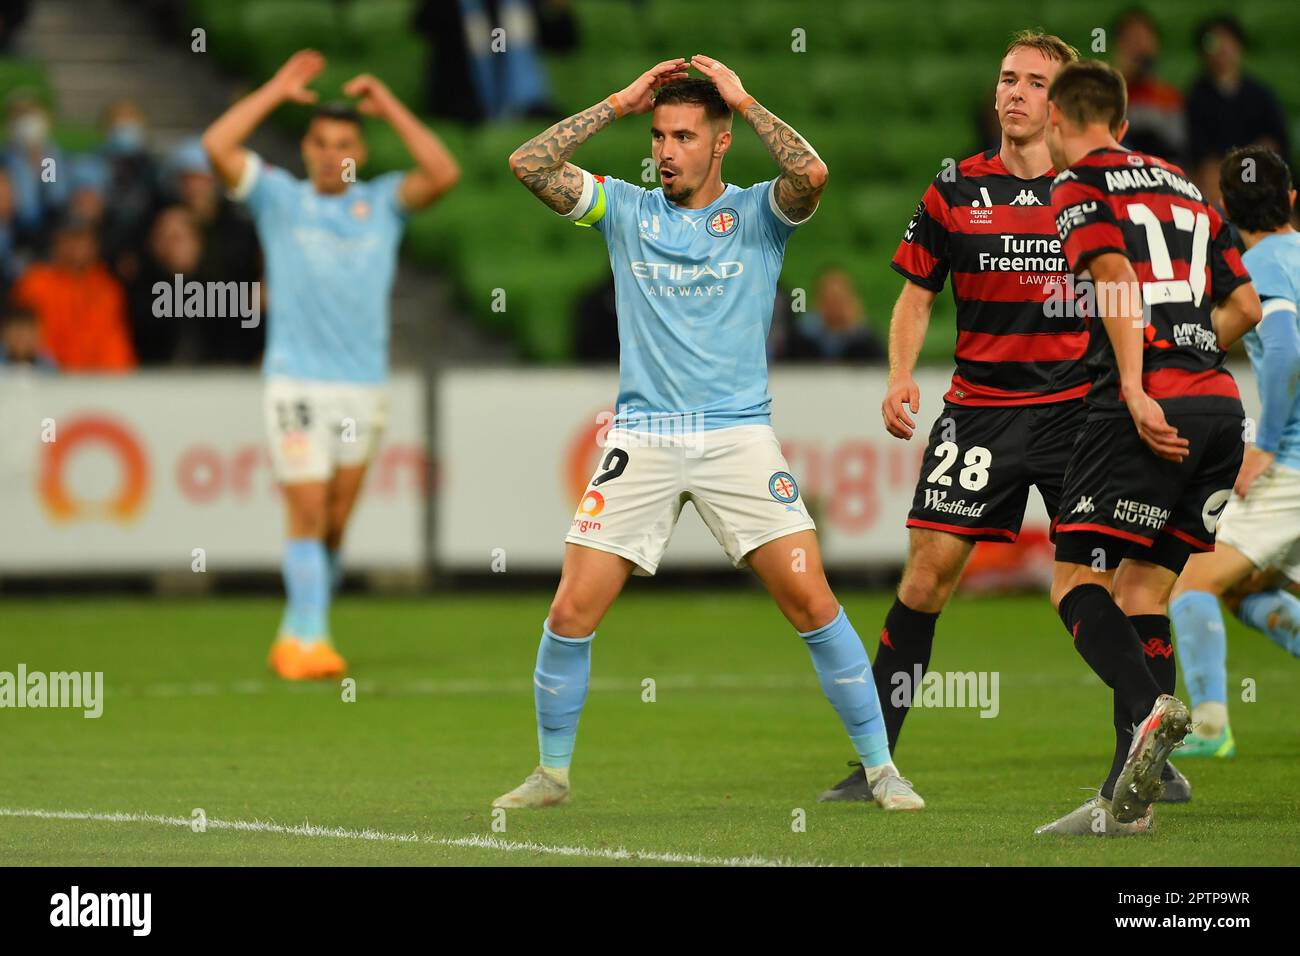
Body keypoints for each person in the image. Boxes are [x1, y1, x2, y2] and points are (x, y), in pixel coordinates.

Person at [494, 57, 924, 813]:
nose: (665, 150)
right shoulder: (624, 208)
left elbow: (813, 175)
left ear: (718, 142)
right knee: (569, 611)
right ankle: (552, 773)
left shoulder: (759, 213)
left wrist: (747, 101)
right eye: (658, 134)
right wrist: (618, 102)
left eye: (684, 135)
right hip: (645, 438)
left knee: (813, 603)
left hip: (737, 440)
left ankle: (882, 769)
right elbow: (528, 163)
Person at [819, 31, 1093, 801]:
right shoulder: (955, 189)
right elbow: (915, 295)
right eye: (1007, 78)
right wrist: (900, 376)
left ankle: (1145, 753)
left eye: (1034, 82)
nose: (1013, 92)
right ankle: (876, 763)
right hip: (979, 415)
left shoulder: (1091, 193)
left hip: (1077, 413)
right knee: (926, 579)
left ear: (1060, 102)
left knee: (1104, 584)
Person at [1037, 59, 1261, 836]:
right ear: (1124, 120)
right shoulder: (1187, 185)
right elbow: (1247, 304)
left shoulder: (1079, 185)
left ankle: (1147, 715)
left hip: (1145, 407)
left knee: (1071, 582)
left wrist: (1138, 384)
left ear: (1062, 122)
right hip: (1219, 409)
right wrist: (1193, 358)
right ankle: (1123, 802)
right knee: (1142, 594)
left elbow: (1115, 278)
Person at [202, 50, 460, 680]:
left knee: (336, 523)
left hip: (362, 390)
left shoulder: (383, 205)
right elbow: (217, 143)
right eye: (319, 142)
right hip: (294, 382)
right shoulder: (279, 200)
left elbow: (443, 171)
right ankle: (310, 639)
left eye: (343, 142)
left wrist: (389, 106)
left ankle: (299, 624)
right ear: (307, 148)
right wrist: (275, 89)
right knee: (308, 510)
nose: (328, 153)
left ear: (360, 153)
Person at [1170, 146, 1300, 758]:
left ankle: (1212, 728)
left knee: (1192, 585)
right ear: (1292, 200)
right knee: (1248, 589)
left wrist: (1266, 448)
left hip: (1290, 468)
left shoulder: (1258, 267)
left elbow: (1284, 344)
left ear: (1223, 208)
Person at [1185, 15, 1290, 209]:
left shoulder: (1261, 94)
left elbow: (1274, 144)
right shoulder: (1196, 98)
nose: (1223, 48)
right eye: (1214, 42)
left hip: (1257, 177)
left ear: (1239, 46)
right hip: (1219, 182)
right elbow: (1200, 156)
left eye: (1228, 40)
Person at [10, 216, 135, 372]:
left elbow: (116, 342)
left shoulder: (109, 288)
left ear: (94, 245)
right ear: (56, 243)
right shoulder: (34, 283)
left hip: (102, 381)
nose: (76, 246)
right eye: (70, 239)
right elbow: (20, 337)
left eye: (83, 239)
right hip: (48, 379)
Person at [1110, 7, 1185, 164]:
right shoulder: (1108, 93)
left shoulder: (1168, 96)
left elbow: (1177, 146)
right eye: (1131, 40)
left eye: (1144, 38)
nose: (1139, 47)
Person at [782, 268, 884, 363]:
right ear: (818, 301)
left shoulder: (866, 342)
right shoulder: (801, 341)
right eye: (830, 300)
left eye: (839, 300)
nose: (835, 307)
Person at [0, 304, 55, 370]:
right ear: (4, 334)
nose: (20, 338)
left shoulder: (47, 364)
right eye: (16, 332)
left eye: (25, 332)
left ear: (37, 335)